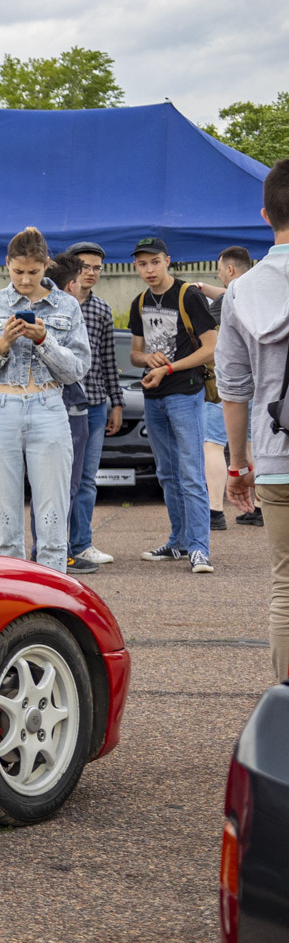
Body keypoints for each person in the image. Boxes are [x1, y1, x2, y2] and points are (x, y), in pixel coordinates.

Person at [0, 227, 90, 571]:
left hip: (48, 406)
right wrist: (2, 344)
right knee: (5, 528)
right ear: (7, 265)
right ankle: (14, 604)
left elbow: (77, 370)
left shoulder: (67, 306)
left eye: (33, 272)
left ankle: (54, 604)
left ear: (46, 266)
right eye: (18, 271)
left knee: (52, 524)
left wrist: (45, 340)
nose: (24, 279)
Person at [215, 158, 289, 679]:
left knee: (286, 587)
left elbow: (234, 391)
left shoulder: (241, 291)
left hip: (276, 453)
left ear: (266, 215)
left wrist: (239, 464)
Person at [129, 235, 219, 573]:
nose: (149, 269)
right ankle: (178, 542)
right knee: (167, 473)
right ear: (135, 266)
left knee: (191, 473)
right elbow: (136, 354)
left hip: (185, 390)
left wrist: (169, 367)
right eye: (142, 263)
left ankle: (200, 548)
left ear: (168, 260)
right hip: (153, 397)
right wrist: (146, 359)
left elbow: (211, 347)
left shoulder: (187, 295)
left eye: (154, 261)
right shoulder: (139, 302)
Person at [61, 241, 123, 565]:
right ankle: (57, 548)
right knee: (60, 479)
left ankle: (82, 543)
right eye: (85, 266)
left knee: (86, 478)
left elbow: (110, 360)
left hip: (96, 402)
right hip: (60, 404)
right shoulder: (54, 305)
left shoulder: (102, 309)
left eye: (97, 267)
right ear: (72, 267)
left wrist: (117, 402)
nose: (91, 273)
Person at [194, 246, 257, 528]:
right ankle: (258, 506)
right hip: (263, 383)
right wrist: (206, 288)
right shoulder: (260, 293)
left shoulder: (224, 304)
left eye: (220, 270)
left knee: (213, 444)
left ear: (229, 270)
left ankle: (214, 510)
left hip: (227, 384)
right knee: (254, 443)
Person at [44, 254, 97, 573]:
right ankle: (54, 554)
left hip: (68, 406)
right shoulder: (64, 312)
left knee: (61, 486)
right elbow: (76, 366)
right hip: (66, 408)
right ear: (70, 285)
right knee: (64, 486)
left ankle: (53, 551)